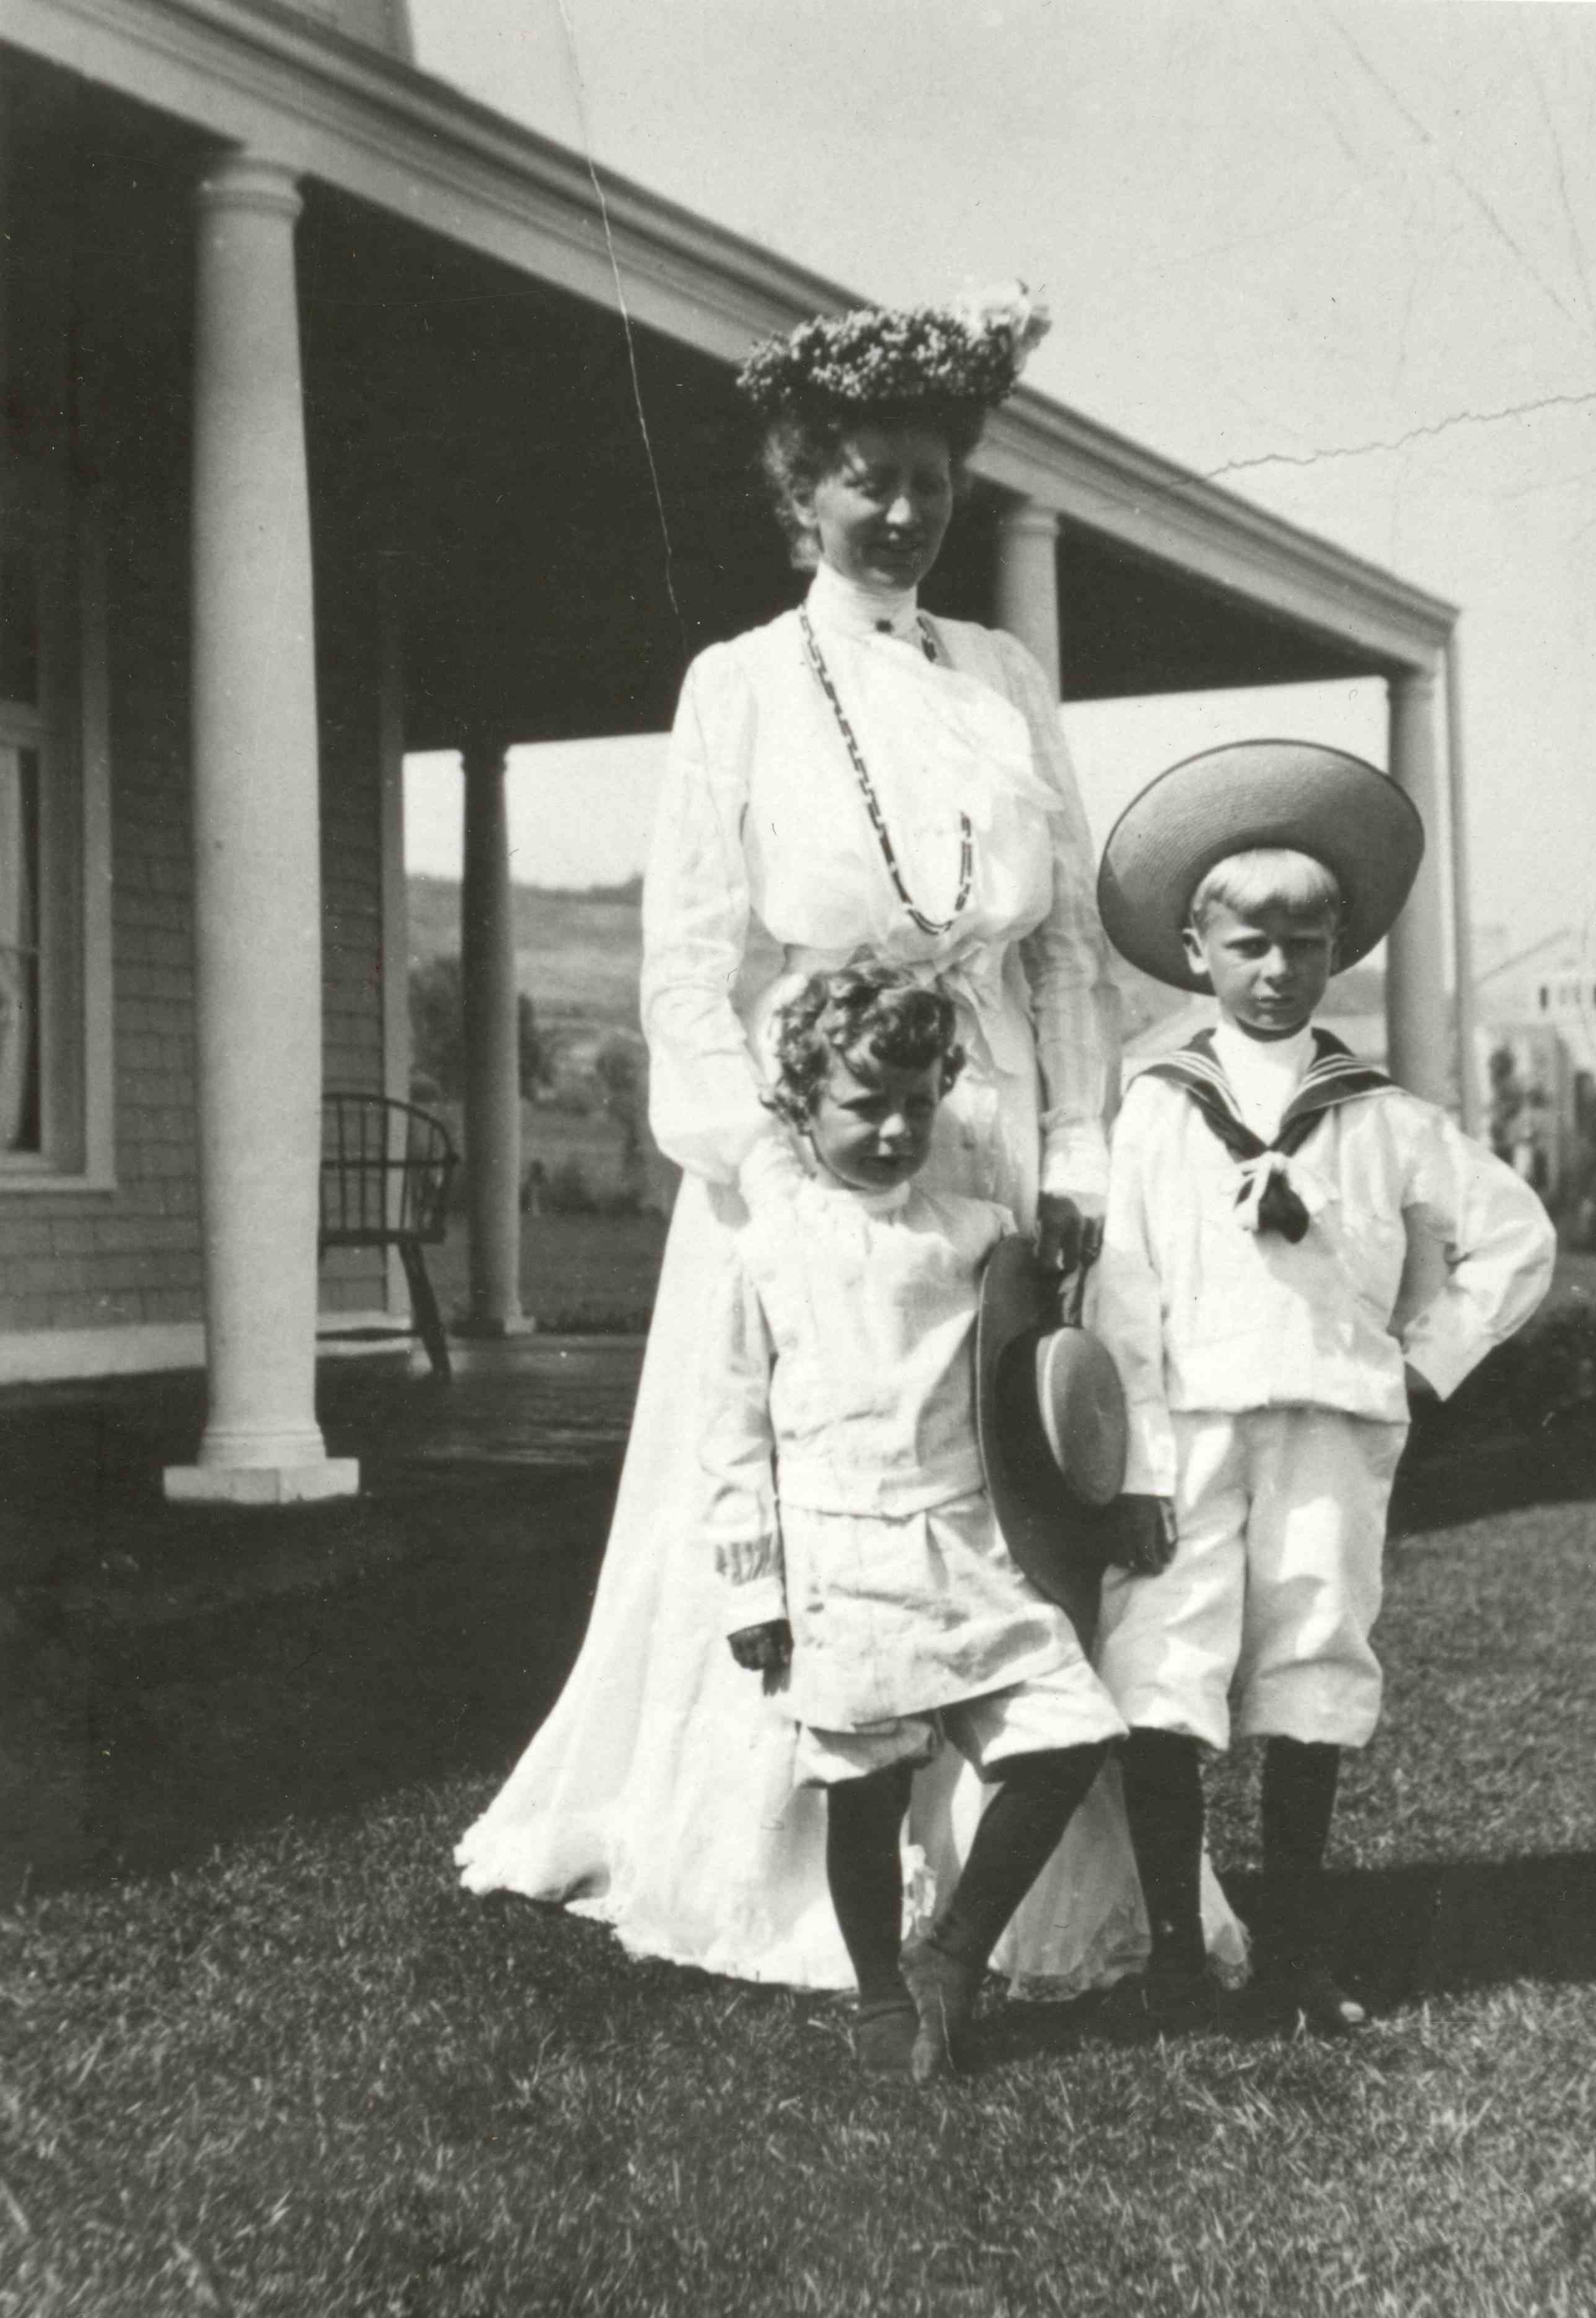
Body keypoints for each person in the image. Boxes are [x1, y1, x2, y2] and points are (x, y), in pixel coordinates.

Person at [457, 286, 1243, 1995]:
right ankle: (797, 1857)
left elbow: (1051, 949)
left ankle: (1015, 1863)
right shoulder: (740, 683)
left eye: (932, 481)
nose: (901, 512)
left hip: (1004, 1137)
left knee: (1008, 1477)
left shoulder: (1006, 674)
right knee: (821, 1461)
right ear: (802, 489)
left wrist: (1080, 1150)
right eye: (867, 479)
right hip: (819, 1142)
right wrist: (758, 1169)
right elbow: (685, 954)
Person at [1089, 743, 1557, 2030]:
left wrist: (1417, 1362)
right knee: (1163, 1663)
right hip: (1184, 1430)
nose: (1277, 967)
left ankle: (1290, 1951)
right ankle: (1177, 1956)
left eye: (1306, 942)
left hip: (1333, 1432)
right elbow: (1121, 1293)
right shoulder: (1152, 1108)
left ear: (1339, 949)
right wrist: (1129, 1464)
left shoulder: (1382, 1118)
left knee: (1310, 1659)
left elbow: (1515, 1240)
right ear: (1194, 951)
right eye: (1247, 943)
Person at [706, 965, 1127, 2078]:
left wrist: (1060, 1263)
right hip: (841, 1557)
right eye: (863, 1106)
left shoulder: (980, 1235)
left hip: (967, 1544)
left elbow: (1030, 1382)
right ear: (800, 1105)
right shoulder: (766, 1249)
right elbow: (734, 1430)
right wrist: (753, 1589)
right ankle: (881, 1993)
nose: (895, 1131)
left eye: (916, 1106)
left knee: (1068, 1731)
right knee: (865, 1785)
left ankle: (951, 1951)